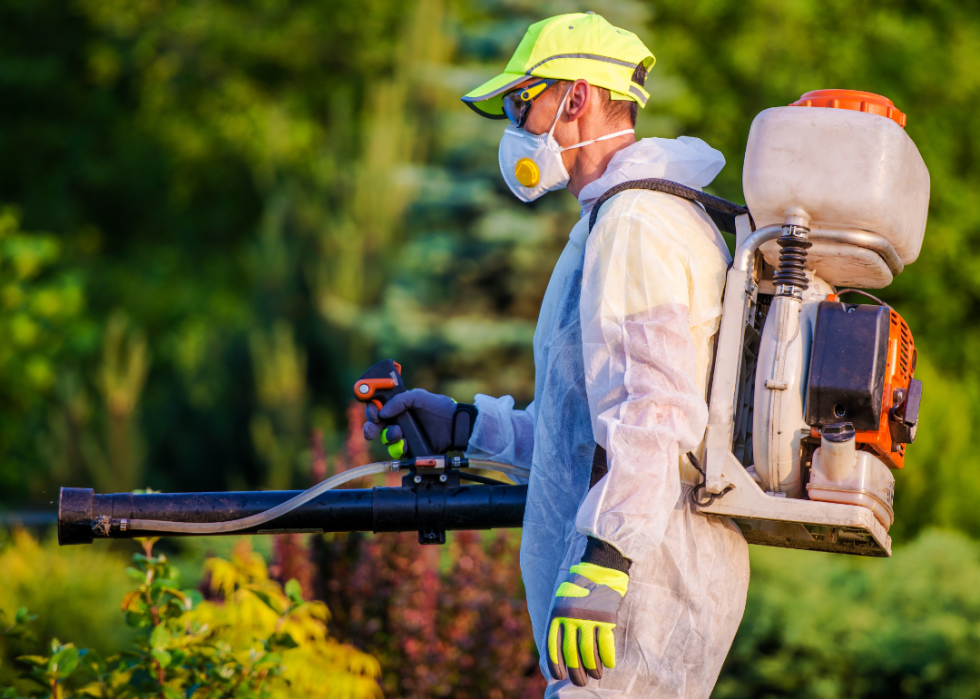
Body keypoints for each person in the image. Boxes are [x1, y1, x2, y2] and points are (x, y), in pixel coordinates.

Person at [363, 12, 750, 698]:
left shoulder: (636, 223)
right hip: (627, 599)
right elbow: (582, 434)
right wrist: (465, 427)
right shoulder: (615, 219)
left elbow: (654, 414)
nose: (514, 125)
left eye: (522, 102)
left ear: (574, 97)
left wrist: (605, 558)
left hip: (637, 602)